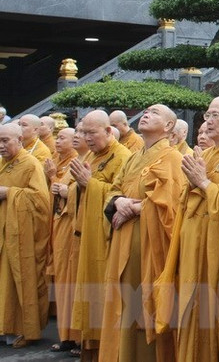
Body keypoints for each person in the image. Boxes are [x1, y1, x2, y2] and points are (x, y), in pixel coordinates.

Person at [156, 95, 219, 362]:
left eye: (216, 116)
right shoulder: (209, 153)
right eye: (207, 115)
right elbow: (187, 197)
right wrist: (194, 184)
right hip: (194, 249)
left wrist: (202, 183)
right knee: (192, 311)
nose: (208, 121)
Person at [99, 104, 185, 362]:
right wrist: (119, 202)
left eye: (155, 112)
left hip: (148, 242)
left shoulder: (173, 158)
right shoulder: (134, 157)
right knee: (121, 303)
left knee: (143, 305)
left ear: (169, 126)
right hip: (122, 238)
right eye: (146, 111)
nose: (146, 114)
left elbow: (172, 205)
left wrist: (135, 208)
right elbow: (113, 188)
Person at [70, 110, 131, 361]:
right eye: (84, 132)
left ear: (108, 131)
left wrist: (90, 184)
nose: (87, 138)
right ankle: (92, 348)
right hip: (89, 236)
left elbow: (121, 197)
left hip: (107, 240)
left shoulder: (122, 156)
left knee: (105, 297)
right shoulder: (92, 156)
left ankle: (107, 350)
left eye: (92, 133)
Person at [0, 122, 52, 348]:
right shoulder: (3, 164)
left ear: (19, 141)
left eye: (5, 141)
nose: (1, 146)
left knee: (18, 280)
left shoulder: (30, 164)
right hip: (3, 232)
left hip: (20, 236)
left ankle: (21, 329)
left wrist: (9, 193)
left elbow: (40, 201)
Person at [48, 127, 80, 354]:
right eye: (77, 133)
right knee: (64, 283)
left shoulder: (82, 162)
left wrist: (63, 188)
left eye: (62, 138)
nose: (81, 136)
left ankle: (79, 337)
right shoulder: (66, 163)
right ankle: (67, 334)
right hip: (62, 228)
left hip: (76, 231)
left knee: (77, 283)